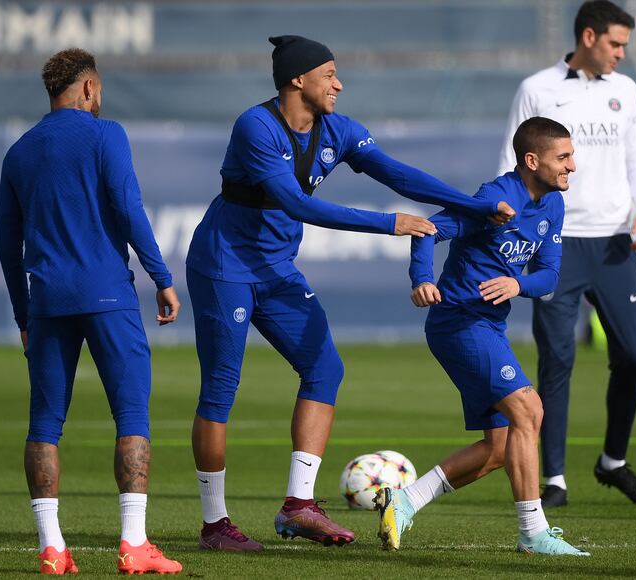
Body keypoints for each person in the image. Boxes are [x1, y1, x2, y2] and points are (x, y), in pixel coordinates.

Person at [185, 35, 516, 551]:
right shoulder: (256, 126)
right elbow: (300, 206)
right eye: (329, 73)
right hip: (223, 266)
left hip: (276, 268)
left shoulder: (339, 130)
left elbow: (398, 174)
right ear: (298, 79)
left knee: (326, 369)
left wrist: (472, 207)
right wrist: (391, 224)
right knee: (222, 387)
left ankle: (298, 507)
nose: (339, 84)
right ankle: (215, 526)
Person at [0, 48, 183, 575]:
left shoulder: (19, 152)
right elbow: (128, 208)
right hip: (108, 298)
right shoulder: (107, 136)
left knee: (44, 424)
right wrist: (162, 278)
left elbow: (8, 247)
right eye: (98, 89)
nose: (101, 97)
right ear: (87, 88)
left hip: (48, 304)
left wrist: (23, 318)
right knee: (131, 415)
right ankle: (134, 544)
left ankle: (52, 547)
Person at [376, 116, 588, 556]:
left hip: (488, 325)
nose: (573, 166)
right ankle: (533, 533)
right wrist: (421, 279)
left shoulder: (552, 204)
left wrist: (518, 285)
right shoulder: (495, 197)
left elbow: (547, 276)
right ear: (532, 160)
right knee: (529, 410)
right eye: (563, 157)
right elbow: (429, 229)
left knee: (499, 447)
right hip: (458, 322)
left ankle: (406, 500)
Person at [497, 0, 636, 508]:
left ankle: (613, 462)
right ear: (588, 37)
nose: (621, 55)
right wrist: (517, 226)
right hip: (558, 244)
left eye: (624, 45)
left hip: (614, 242)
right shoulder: (537, 88)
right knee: (557, 358)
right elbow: (510, 159)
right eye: (615, 44)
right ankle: (555, 480)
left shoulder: (626, 91)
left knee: (632, 355)